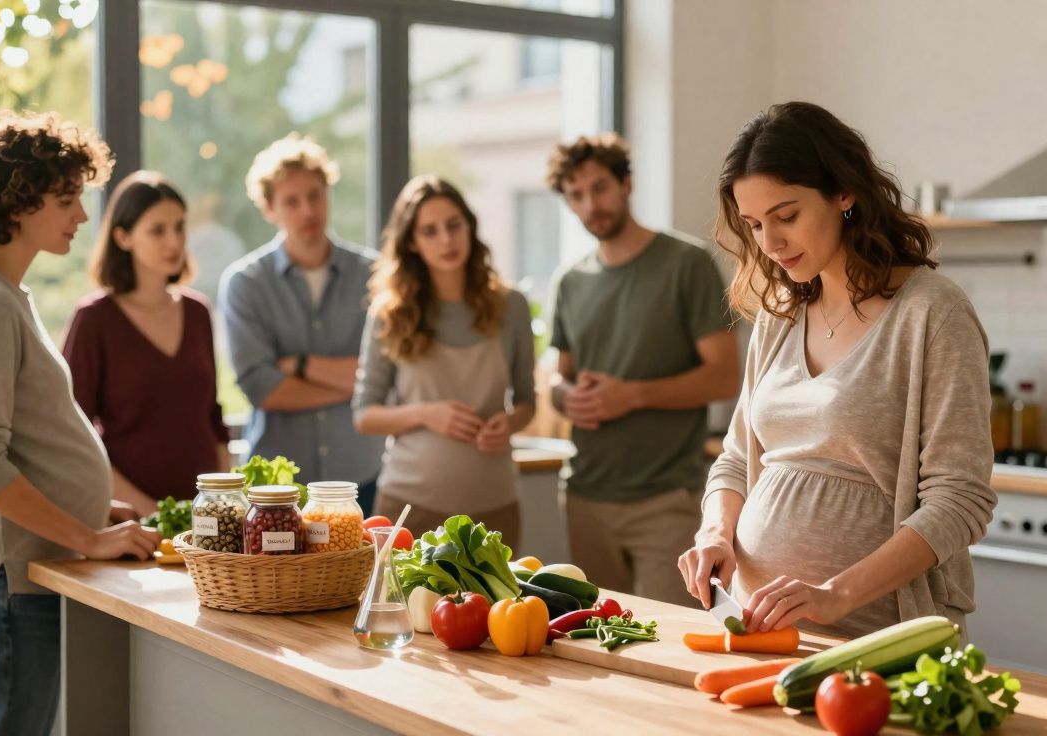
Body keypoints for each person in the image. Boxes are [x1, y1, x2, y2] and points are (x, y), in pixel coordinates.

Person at [677, 101, 997, 639]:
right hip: (762, 630)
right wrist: (715, 533)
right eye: (754, 224)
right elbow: (735, 459)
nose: (770, 243)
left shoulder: (932, 313)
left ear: (844, 192)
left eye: (787, 216)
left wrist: (834, 595)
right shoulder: (781, 314)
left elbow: (959, 501)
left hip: (882, 636)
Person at [0, 111, 161, 736]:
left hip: (27, 578)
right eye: (65, 200)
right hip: (12, 585)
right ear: (18, 203)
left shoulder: (9, 297)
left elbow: (25, 444)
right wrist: (89, 539)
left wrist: (89, 507)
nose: (82, 216)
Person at [547, 133, 739, 605]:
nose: (591, 204)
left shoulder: (687, 263)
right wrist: (565, 396)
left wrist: (631, 395)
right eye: (576, 195)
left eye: (600, 187)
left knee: (671, 637)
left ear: (626, 184)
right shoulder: (570, 281)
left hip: (666, 500)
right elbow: (557, 377)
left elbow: (725, 376)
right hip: (584, 497)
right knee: (590, 636)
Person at [353, 175, 535, 541]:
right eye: (430, 231)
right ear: (412, 243)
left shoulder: (511, 305)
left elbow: (527, 401)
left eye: (454, 225)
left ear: (469, 227)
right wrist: (425, 413)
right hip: (409, 508)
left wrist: (510, 422)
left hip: (494, 508)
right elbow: (364, 415)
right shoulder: (390, 314)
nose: (446, 240)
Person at [219, 133, 383, 512]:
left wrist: (300, 366)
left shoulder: (374, 275)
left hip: (362, 476)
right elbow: (264, 390)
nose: (307, 210)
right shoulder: (245, 284)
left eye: (315, 196)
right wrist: (357, 389)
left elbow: (387, 375)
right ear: (269, 209)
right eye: (291, 201)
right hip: (276, 489)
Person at [63, 172, 231, 514]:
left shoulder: (198, 311)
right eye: (158, 230)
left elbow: (212, 418)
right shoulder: (94, 319)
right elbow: (74, 435)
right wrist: (149, 512)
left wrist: (224, 501)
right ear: (123, 237)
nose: (174, 241)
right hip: (129, 520)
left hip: (205, 518)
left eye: (180, 227)